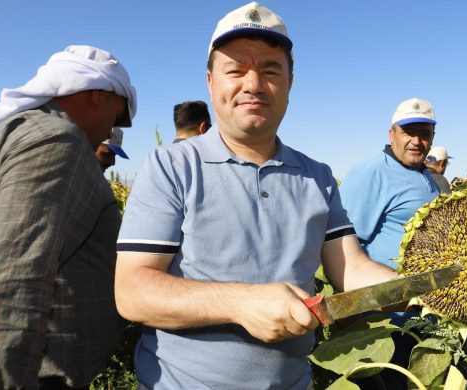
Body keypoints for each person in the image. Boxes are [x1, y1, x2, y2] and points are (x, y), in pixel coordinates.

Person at [113, 3, 397, 389]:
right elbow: (132, 292)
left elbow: (351, 269)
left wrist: (418, 285)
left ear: (290, 83)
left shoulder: (317, 177)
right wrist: (241, 303)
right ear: (211, 81)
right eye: (236, 69)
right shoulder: (172, 166)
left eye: (270, 70)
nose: (253, 84)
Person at [0, 45, 137, 389]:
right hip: (9, 374)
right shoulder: (56, 140)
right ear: (98, 95)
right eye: (116, 119)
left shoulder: (20, 133)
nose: (108, 133)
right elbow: (14, 277)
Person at [339, 98, 440, 389]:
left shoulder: (427, 178)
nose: (416, 141)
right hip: (383, 320)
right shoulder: (371, 173)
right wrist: (349, 311)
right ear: (391, 133)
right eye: (409, 131)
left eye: (424, 133)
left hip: (420, 317)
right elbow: (344, 245)